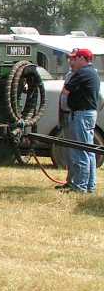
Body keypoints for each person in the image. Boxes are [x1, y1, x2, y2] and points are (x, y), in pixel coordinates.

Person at [59, 48, 100, 193]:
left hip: (81, 115)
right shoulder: (92, 72)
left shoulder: (82, 73)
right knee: (88, 151)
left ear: (82, 59)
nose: (73, 61)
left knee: (80, 151)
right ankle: (90, 186)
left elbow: (65, 91)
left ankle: (80, 187)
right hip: (87, 114)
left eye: (75, 58)